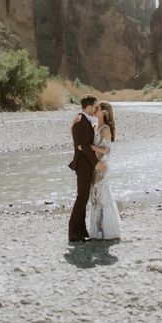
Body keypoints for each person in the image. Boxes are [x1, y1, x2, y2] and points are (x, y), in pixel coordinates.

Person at [68, 95, 107, 243]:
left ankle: (81, 231)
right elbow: (84, 146)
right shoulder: (80, 120)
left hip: (85, 165)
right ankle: (73, 232)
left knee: (83, 199)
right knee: (81, 198)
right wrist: (97, 163)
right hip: (83, 166)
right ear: (88, 106)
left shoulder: (83, 120)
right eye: (94, 106)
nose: (95, 109)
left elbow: (83, 144)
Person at [86, 101, 121, 240]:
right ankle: (96, 231)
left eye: (98, 108)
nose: (95, 110)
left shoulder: (105, 129)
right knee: (94, 198)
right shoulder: (95, 126)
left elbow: (107, 150)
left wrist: (90, 148)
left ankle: (105, 232)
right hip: (93, 166)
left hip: (101, 167)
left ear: (104, 112)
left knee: (102, 198)